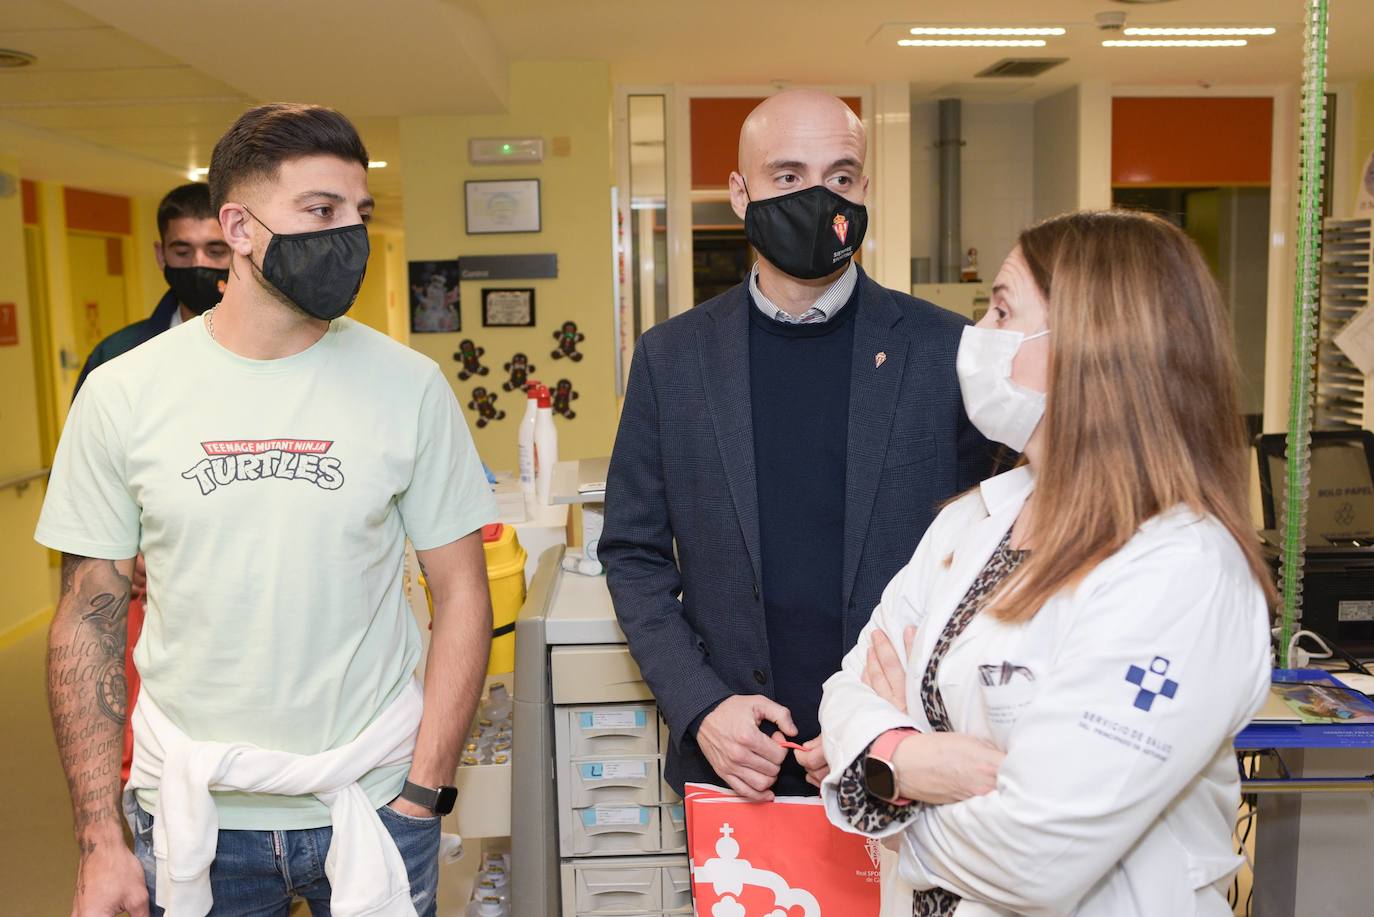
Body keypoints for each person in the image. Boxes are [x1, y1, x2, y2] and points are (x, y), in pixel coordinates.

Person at [37, 103, 497, 917]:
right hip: (194, 809)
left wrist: (424, 794)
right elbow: (88, 619)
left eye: (360, 214)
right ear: (239, 226)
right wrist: (99, 838)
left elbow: (462, 592)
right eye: (320, 211)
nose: (347, 234)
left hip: (373, 796)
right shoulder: (123, 392)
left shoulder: (410, 386)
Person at [819, 210, 1274, 917]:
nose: (977, 336)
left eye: (1002, 309)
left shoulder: (1181, 569)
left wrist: (883, 792)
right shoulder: (974, 519)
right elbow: (849, 686)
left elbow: (1037, 854)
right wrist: (910, 760)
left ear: (1093, 345)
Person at [600, 89, 995, 801]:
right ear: (740, 192)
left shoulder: (946, 353)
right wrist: (701, 705)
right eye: (788, 177)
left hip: (905, 756)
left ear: (864, 189)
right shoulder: (672, 358)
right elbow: (633, 553)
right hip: (738, 759)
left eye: (840, 177)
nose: (819, 199)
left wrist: (897, 714)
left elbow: (993, 548)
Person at [73, 182, 231, 398]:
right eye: (183, 252)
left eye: (215, 251)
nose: (198, 263)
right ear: (161, 255)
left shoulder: (280, 347)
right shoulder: (117, 356)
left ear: (239, 249)